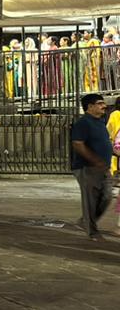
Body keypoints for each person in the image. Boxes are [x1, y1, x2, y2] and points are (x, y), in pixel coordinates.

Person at [71, 92, 112, 241]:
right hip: (87, 167)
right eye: (100, 103)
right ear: (90, 106)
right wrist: (95, 160)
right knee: (90, 200)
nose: (104, 106)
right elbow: (78, 144)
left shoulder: (100, 122)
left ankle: (85, 221)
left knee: (107, 196)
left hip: (103, 167)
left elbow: (104, 142)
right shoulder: (83, 123)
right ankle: (92, 231)